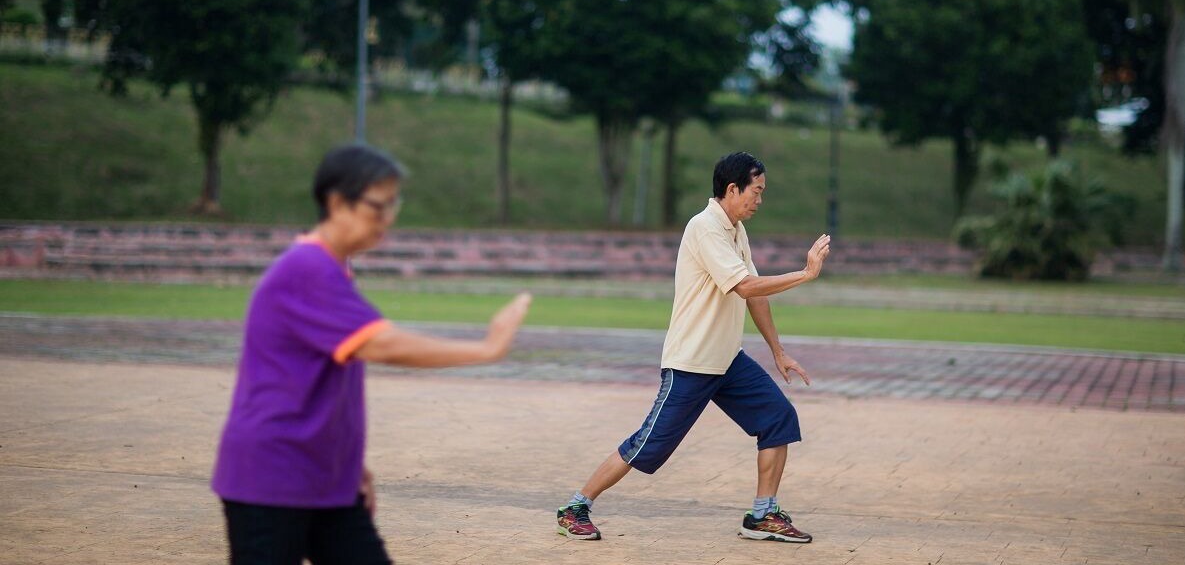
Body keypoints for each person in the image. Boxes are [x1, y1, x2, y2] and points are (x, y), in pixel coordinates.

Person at [212, 143, 532, 565]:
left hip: (324, 477)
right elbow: (380, 343)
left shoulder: (334, 268)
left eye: (393, 206)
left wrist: (349, 465)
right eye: (377, 207)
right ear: (337, 203)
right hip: (272, 478)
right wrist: (486, 349)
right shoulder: (306, 269)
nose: (387, 220)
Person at [556, 151, 831, 544]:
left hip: (727, 361)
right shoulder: (704, 227)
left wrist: (777, 351)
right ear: (732, 188)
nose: (760, 200)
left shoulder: (735, 229)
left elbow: (755, 298)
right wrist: (805, 274)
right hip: (692, 362)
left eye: (762, 192)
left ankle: (762, 514)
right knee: (647, 445)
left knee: (778, 419)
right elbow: (744, 286)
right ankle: (575, 507)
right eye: (756, 191)